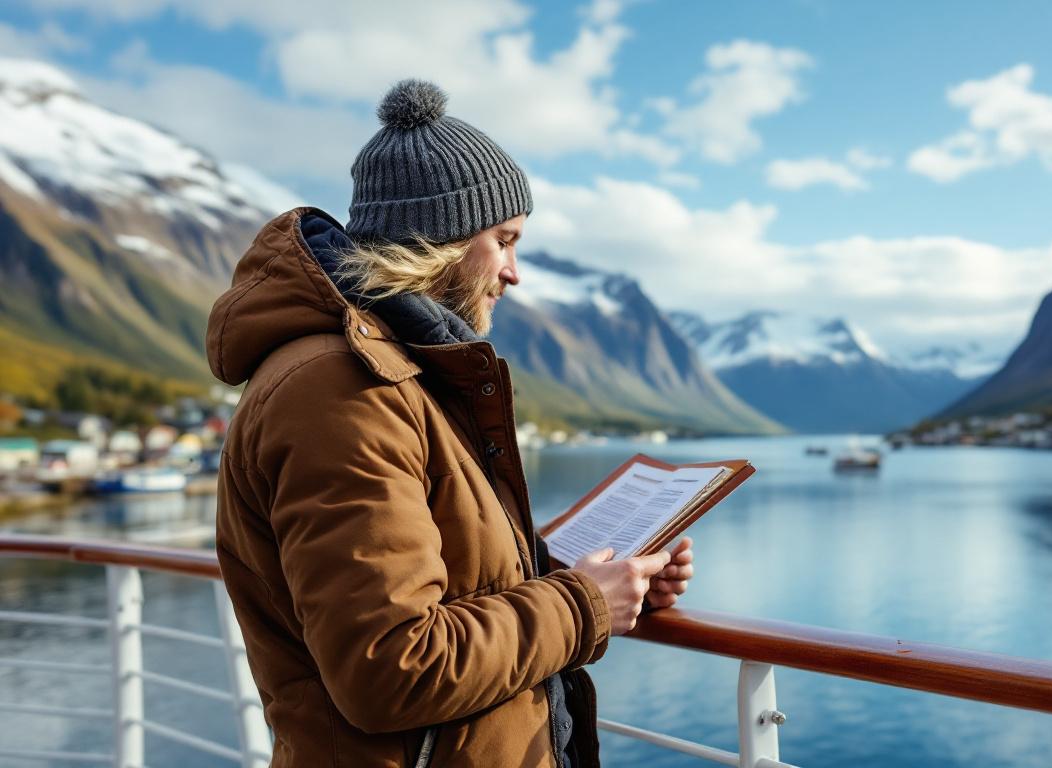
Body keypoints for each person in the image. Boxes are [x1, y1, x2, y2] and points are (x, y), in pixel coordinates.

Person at [207, 78, 694, 768]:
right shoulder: (340, 392)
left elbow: (442, 569)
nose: (514, 273)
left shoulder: (398, 374)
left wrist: (608, 575)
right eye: (504, 240)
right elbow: (392, 667)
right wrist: (584, 605)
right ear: (440, 238)